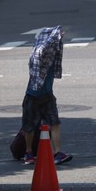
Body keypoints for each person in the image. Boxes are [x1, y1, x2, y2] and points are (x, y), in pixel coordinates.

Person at [22, 26, 72, 166]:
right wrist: (55, 36)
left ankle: (56, 153)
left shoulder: (44, 55)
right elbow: (45, 48)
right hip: (33, 96)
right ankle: (28, 152)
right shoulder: (41, 54)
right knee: (30, 127)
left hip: (46, 95)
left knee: (53, 123)